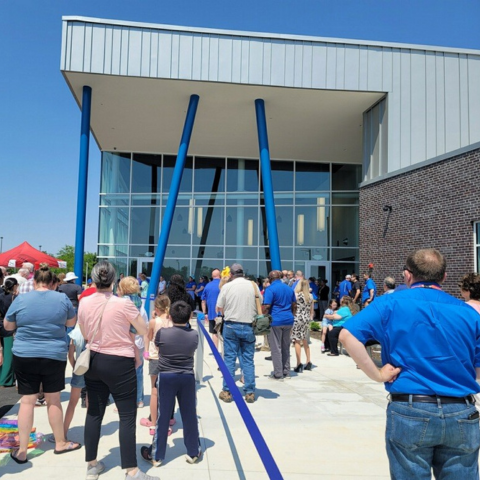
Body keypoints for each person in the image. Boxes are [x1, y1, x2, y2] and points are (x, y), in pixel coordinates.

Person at [339, 248, 480, 479]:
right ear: (444, 277)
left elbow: (347, 336)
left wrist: (376, 374)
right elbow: (478, 371)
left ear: (407, 275)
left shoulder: (389, 303)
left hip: (410, 408)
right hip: (461, 410)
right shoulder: (468, 313)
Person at [78, 261, 156, 480]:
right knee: (127, 416)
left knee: (94, 413)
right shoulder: (124, 304)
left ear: (93, 280)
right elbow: (143, 329)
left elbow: (84, 331)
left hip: (93, 359)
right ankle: (131, 470)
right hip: (120, 361)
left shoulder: (84, 303)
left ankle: (92, 464)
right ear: (114, 281)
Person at [4, 264, 79, 463]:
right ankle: (60, 442)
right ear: (53, 282)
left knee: (27, 401)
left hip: (25, 353)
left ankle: (21, 450)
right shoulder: (62, 298)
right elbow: (71, 323)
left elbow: (8, 325)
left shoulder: (21, 299)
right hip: (53, 354)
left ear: (34, 281)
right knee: (53, 400)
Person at [141, 301, 200, 467]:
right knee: (190, 414)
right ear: (190, 316)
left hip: (166, 376)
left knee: (163, 415)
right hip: (187, 376)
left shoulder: (163, 334)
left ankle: (157, 455)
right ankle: (193, 451)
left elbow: (158, 348)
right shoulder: (194, 334)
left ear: (170, 316)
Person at [216, 263, 259, 404]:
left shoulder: (227, 287)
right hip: (248, 325)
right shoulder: (253, 286)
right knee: (248, 359)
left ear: (231, 274)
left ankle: (227, 390)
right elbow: (261, 303)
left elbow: (219, 306)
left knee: (229, 359)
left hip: (231, 325)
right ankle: (250, 391)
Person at [141, 295, 173, 436]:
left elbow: (148, 336)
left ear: (157, 308)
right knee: (168, 392)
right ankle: (167, 422)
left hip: (155, 358)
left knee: (154, 391)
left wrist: (146, 351)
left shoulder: (154, 322)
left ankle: (153, 424)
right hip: (170, 358)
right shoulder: (174, 321)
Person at [117, 276, 149, 408]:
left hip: (122, 341)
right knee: (138, 371)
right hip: (138, 341)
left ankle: (124, 400)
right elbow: (145, 325)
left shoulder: (119, 303)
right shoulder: (140, 303)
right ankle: (139, 399)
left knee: (122, 373)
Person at [263, 270, 297, 380]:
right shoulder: (288, 288)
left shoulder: (270, 289)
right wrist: (292, 315)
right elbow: (294, 304)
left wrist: (263, 316)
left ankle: (278, 373)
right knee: (285, 346)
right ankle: (286, 371)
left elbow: (267, 305)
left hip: (276, 320)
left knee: (275, 348)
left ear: (270, 278)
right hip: (288, 320)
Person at [291, 279, 313, 372]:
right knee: (305, 340)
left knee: (297, 341)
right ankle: (308, 361)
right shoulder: (310, 296)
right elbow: (312, 310)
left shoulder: (296, 295)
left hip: (297, 318)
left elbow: (293, 306)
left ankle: (299, 363)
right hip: (306, 318)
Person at [0, 277, 19, 386]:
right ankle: (6, 379)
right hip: (10, 326)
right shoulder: (15, 298)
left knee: (3, 352)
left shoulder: (1, 296)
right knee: (9, 354)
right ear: (15, 286)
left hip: (1, 323)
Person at [201, 268, 221, 349]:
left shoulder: (208, 285)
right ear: (220, 275)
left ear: (212, 276)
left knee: (214, 333)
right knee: (225, 334)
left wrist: (205, 313)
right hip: (224, 314)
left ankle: (215, 352)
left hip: (212, 314)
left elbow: (203, 301)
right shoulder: (224, 285)